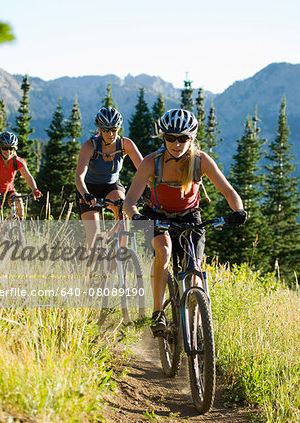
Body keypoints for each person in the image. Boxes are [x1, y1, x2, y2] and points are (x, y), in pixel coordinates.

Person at [124, 109, 247, 333]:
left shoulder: (200, 161)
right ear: (163, 138)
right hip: (157, 215)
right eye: (170, 137)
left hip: (190, 217)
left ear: (192, 138)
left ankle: (199, 329)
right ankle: (157, 313)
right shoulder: (152, 162)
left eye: (183, 138)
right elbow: (129, 200)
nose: (176, 143)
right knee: (165, 250)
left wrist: (238, 210)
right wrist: (136, 216)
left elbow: (229, 192)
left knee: (194, 270)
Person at [75, 106, 143, 248]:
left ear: (118, 128)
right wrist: (86, 194)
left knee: (123, 214)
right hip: (89, 188)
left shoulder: (125, 144)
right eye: (105, 130)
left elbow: (144, 171)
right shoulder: (90, 146)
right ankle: (88, 269)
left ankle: (119, 259)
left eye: (114, 129)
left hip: (111, 185)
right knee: (93, 235)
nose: (110, 133)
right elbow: (79, 176)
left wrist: (154, 191)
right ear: (99, 129)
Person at [0, 130, 41, 220]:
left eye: (11, 148)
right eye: (5, 148)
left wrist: (34, 189)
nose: (8, 151)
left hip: (8, 192)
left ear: (14, 149)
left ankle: (19, 229)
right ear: (0, 148)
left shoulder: (17, 161)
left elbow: (27, 176)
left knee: (18, 202)